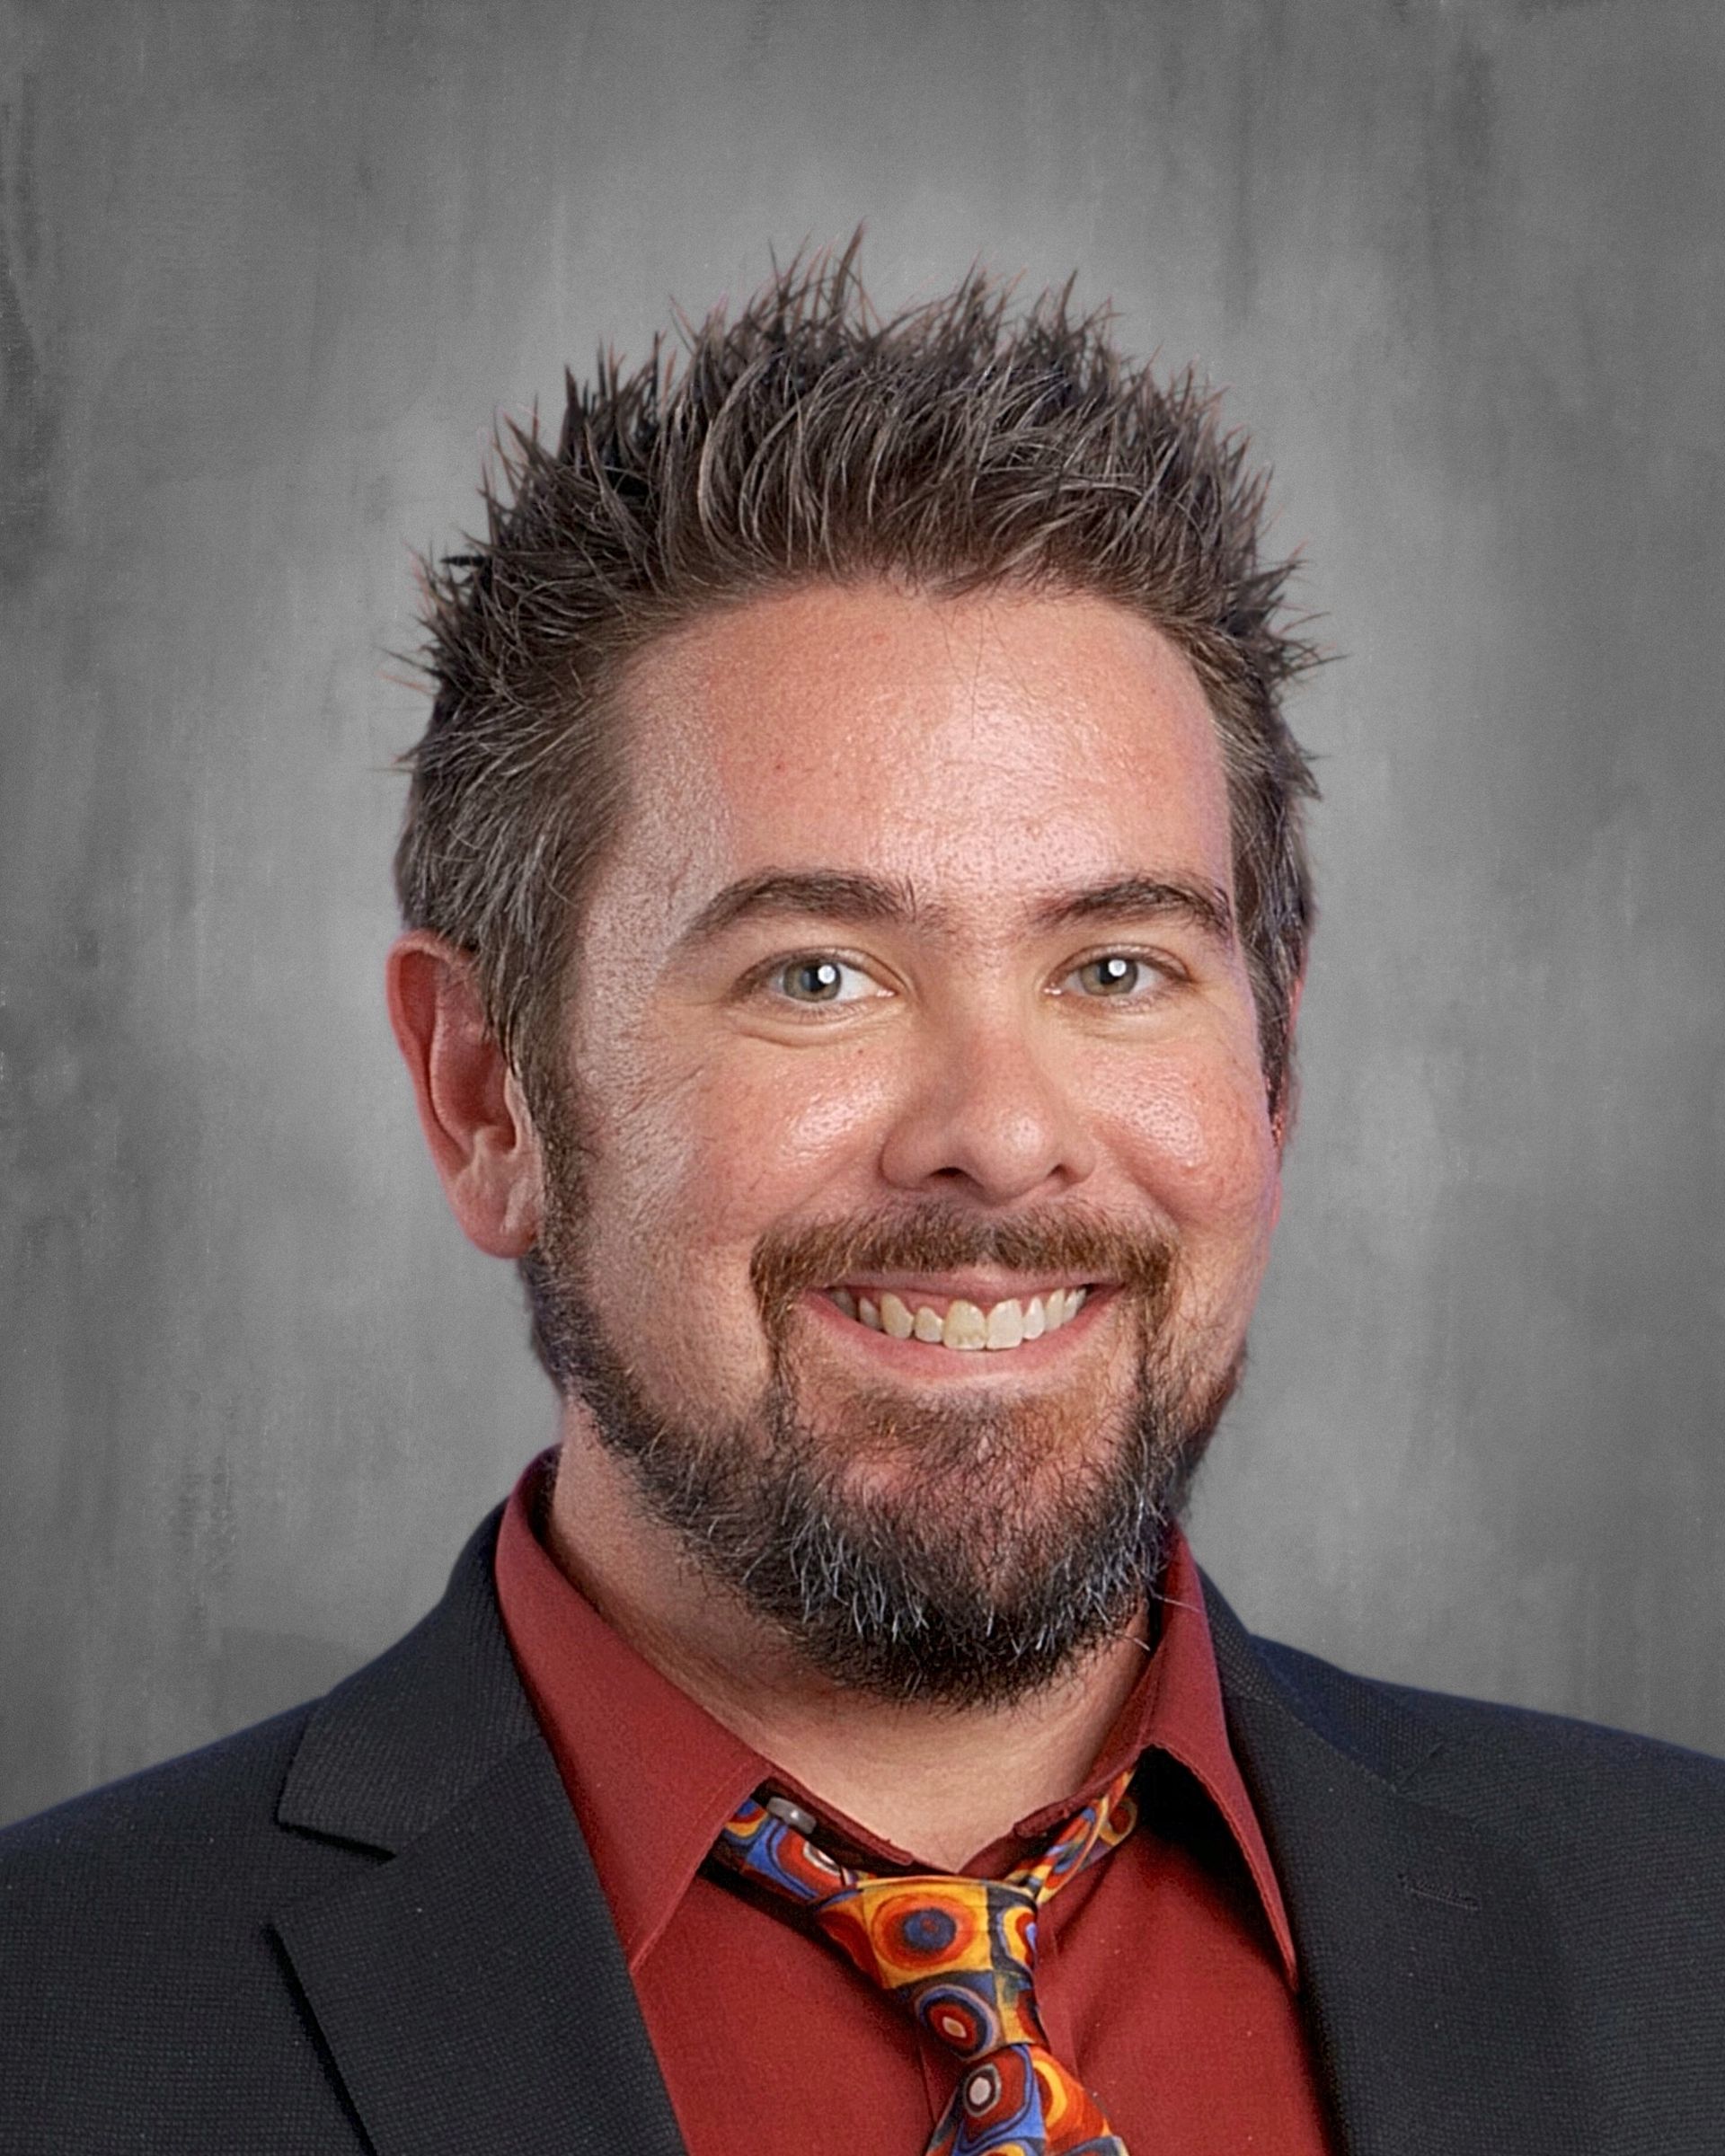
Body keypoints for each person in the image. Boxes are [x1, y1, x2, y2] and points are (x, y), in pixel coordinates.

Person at [2, 247, 1721, 2156]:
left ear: (1274, 1067)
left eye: (1118, 969)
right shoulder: (52, 2023)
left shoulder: (1690, 1935)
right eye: (816, 973)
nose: (995, 1134)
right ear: (488, 1097)